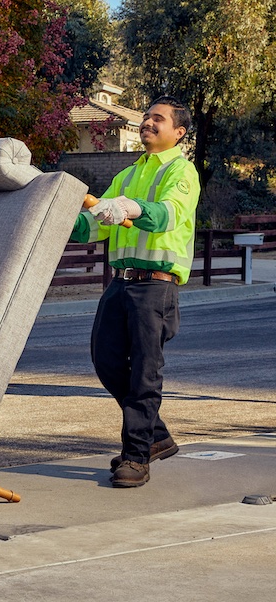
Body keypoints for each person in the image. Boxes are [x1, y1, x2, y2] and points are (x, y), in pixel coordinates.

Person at [71, 96, 200, 488]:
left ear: (178, 132)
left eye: (157, 119)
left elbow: (167, 215)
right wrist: (61, 217)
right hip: (120, 284)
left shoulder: (182, 171)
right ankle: (156, 435)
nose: (147, 122)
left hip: (156, 287)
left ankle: (136, 456)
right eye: (146, 117)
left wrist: (132, 209)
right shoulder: (127, 175)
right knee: (106, 360)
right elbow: (97, 225)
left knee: (145, 372)